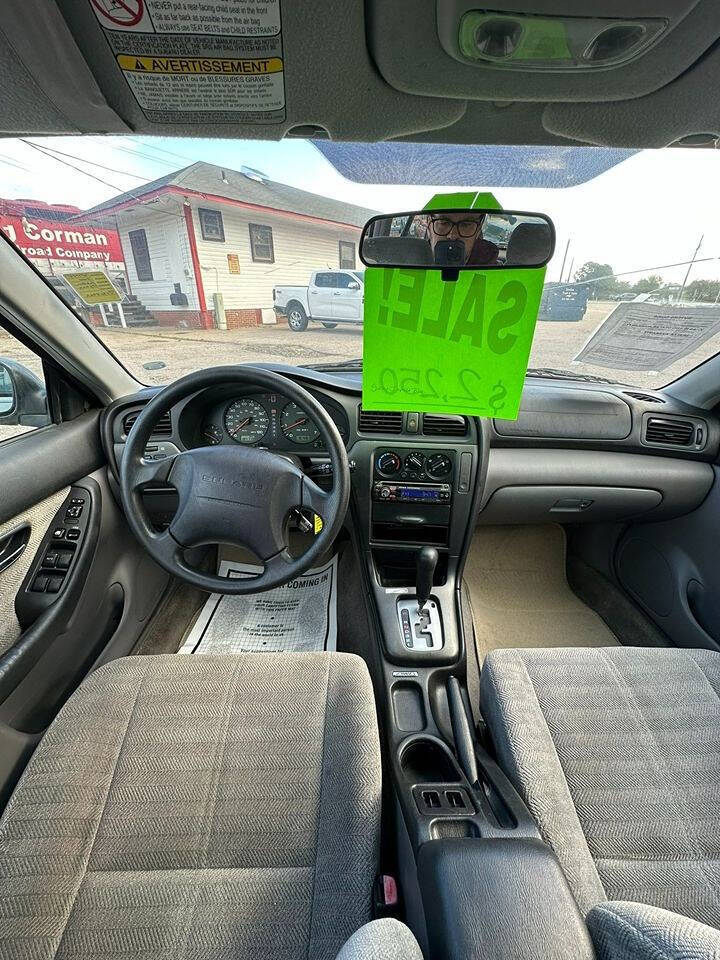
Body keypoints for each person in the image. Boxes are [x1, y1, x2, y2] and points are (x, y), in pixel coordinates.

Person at [423, 212, 499, 266]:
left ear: (478, 230)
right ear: (429, 225)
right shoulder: (412, 263)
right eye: (444, 223)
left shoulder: (494, 272)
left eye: (466, 225)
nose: (452, 235)